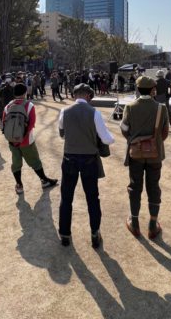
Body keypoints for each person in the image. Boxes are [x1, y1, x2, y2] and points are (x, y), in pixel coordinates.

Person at [58, 84, 115, 248]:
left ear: (74, 95)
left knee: (66, 197)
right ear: (89, 96)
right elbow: (107, 139)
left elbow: (62, 134)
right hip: (89, 160)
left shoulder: (64, 111)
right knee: (92, 198)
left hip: (69, 158)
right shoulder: (94, 112)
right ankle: (95, 233)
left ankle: (65, 234)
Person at [121, 76, 169, 239]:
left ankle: (134, 222)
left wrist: (133, 141)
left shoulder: (130, 107)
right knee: (154, 186)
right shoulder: (161, 108)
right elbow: (164, 133)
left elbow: (124, 129)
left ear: (137, 89)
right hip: (155, 154)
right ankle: (152, 225)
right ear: (153, 90)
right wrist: (154, 144)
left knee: (135, 186)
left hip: (136, 154)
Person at [3, 83, 58, 195]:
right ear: (25, 93)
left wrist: (13, 139)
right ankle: (44, 180)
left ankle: (19, 185)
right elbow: (31, 124)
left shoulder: (8, 106)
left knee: (16, 163)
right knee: (35, 161)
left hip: (12, 141)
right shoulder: (29, 105)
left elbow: (4, 123)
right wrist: (22, 137)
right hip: (26, 141)